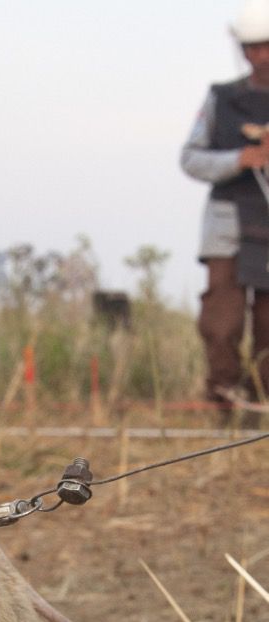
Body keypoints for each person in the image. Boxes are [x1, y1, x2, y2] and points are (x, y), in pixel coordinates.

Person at [181, 0, 269, 408]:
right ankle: (224, 402)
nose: (261, 55)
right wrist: (240, 159)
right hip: (228, 228)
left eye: (267, 45)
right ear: (243, 49)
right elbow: (191, 158)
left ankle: (263, 404)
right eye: (253, 46)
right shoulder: (222, 98)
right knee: (222, 321)